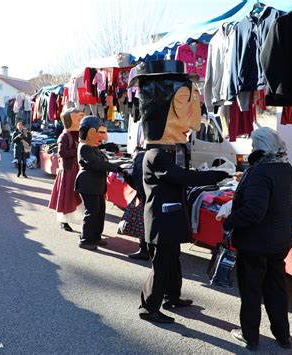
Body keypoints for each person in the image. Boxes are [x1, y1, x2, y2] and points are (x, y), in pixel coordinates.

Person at [129, 60, 229, 324]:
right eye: (184, 102)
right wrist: (214, 175)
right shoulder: (155, 155)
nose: (194, 119)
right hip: (161, 223)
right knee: (161, 266)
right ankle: (148, 307)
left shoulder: (170, 151)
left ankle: (172, 296)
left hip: (170, 220)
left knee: (173, 262)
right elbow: (182, 177)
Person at [221, 127, 292, 351]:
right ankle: (283, 335)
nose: (252, 148)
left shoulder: (260, 171)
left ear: (261, 147)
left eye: (254, 145)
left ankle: (249, 336)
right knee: (276, 289)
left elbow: (255, 211)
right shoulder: (286, 167)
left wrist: (229, 221)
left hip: (256, 243)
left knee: (252, 291)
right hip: (280, 240)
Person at [75, 116, 124, 251]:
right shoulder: (85, 147)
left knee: (100, 212)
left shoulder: (92, 146)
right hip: (88, 184)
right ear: (90, 132)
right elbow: (97, 164)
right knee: (91, 212)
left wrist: (112, 148)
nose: (103, 137)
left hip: (97, 185)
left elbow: (103, 156)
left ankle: (95, 237)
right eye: (100, 133)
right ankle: (85, 239)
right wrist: (116, 167)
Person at [49, 108, 84, 232]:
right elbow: (62, 153)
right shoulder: (64, 135)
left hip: (77, 170)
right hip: (68, 172)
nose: (80, 119)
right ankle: (63, 220)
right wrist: (78, 150)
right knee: (66, 198)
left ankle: (80, 220)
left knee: (76, 197)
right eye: (77, 117)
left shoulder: (79, 134)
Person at [123, 147, 149, 260]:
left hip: (144, 196)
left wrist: (126, 176)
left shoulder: (139, 158)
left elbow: (137, 180)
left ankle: (144, 250)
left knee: (142, 224)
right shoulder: (148, 156)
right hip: (152, 194)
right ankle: (148, 249)